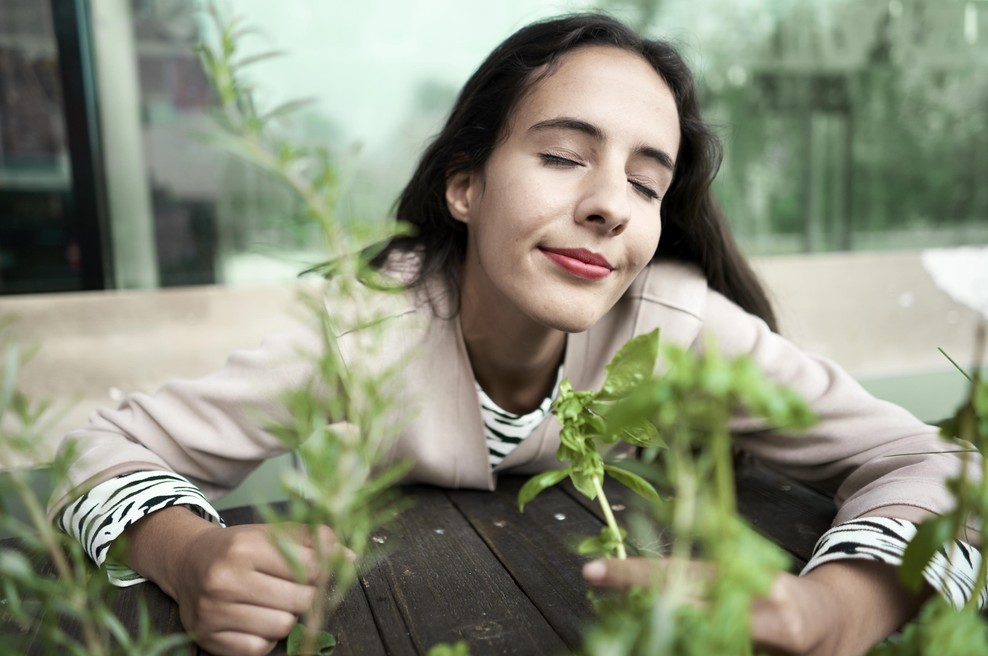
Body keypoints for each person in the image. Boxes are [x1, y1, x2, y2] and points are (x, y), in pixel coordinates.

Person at [49, 12, 979, 656]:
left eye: (649, 183)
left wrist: (840, 608)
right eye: (564, 156)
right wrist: (191, 555)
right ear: (466, 187)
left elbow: (942, 467)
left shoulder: (681, 324)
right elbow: (103, 445)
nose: (611, 205)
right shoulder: (367, 329)